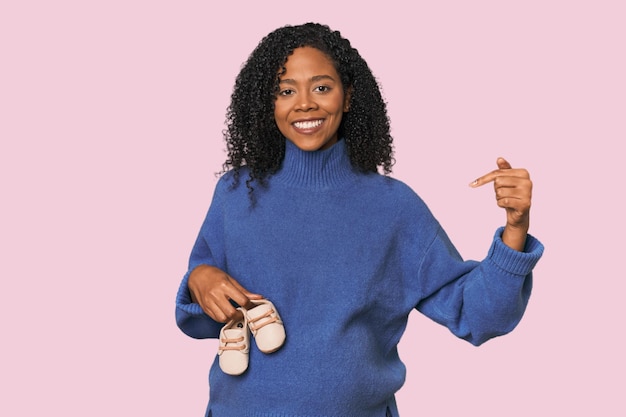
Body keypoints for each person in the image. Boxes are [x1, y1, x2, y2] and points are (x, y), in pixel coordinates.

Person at [175, 22, 544, 417]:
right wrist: (199, 280)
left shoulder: (393, 207)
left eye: (321, 87)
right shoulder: (235, 193)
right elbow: (196, 317)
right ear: (269, 104)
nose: (304, 103)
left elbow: (480, 316)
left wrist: (515, 228)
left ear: (348, 97)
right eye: (285, 91)